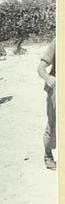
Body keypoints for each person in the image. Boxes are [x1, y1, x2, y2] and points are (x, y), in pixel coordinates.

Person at [37, 40, 56, 170]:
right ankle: (48, 155)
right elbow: (41, 68)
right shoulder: (58, 42)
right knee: (53, 122)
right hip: (57, 89)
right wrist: (48, 78)